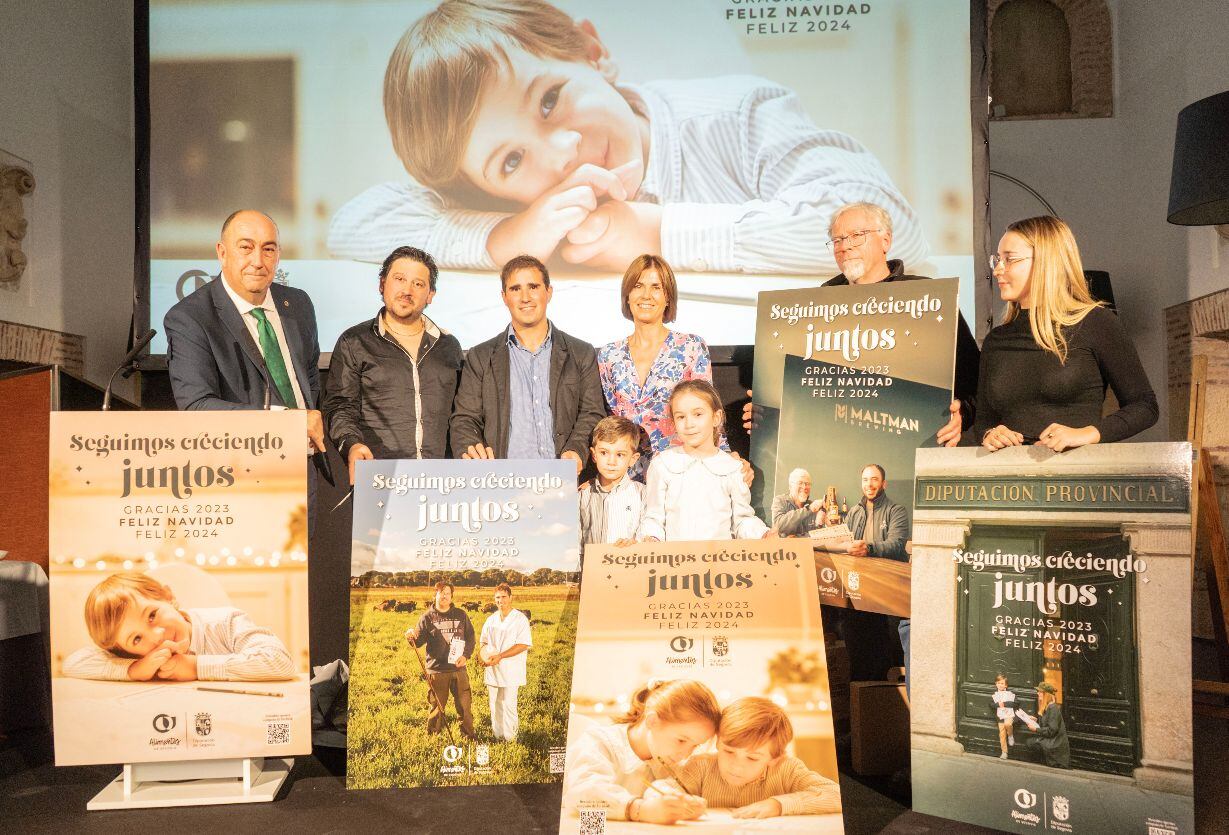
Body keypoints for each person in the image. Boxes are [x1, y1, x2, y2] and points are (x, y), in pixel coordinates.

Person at [328, 0, 925, 275]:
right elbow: (353, 224)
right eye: (510, 161)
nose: (561, 154)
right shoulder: (520, 213)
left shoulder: (738, 112)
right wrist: (508, 236)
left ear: (594, 53)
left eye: (550, 99)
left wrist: (658, 231)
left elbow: (894, 226)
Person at [742, 200, 979, 445]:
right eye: (837, 240)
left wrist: (962, 414)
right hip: (835, 447)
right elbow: (799, 386)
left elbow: (973, 378)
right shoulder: (815, 308)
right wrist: (768, 412)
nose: (845, 247)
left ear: (886, 241)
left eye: (856, 236)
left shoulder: (929, 299)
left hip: (913, 444)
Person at [972, 216, 1158, 451]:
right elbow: (984, 421)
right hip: (1009, 483)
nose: (998, 269)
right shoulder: (995, 341)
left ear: (1046, 262)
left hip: (1075, 482)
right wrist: (991, 433)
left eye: (1010, 259)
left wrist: (1085, 434)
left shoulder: (1095, 323)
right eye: (997, 259)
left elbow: (1144, 406)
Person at [164, 209, 324, 445]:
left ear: (278, 255)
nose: (258, 262)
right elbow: (197, 406)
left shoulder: (298, 303)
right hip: (241, 466)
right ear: (222, 252)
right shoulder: (190, 318)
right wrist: (286, 422)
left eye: (268, 249)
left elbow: (309, 375)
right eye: (246, 248)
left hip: (306, 460)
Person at [449, 254, 605, 472]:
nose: (525, 297)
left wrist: (577, 449)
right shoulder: (480, 357)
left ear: (548, 292)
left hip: (566, 483)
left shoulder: (580, 353)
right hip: (503, 484)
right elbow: (464, 419)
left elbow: (592, 412)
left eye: (533, 287)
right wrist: (470, 446)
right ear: (504, 296)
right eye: (515, 289)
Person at [321, 246, 462, 483]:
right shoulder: (354, 342)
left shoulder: (448, 347)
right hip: (379, 479)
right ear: (382, 284)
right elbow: (340, 407)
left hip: (441, 484)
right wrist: (352, 445)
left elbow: (461, 414)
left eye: (418, 284)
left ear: (430, 295)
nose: (407, 290)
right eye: (399, 279)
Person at [596, 255, 731, 481]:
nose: (646, 295)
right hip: (626, 480)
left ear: (668, 297)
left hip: (680, 475)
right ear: (627, 295)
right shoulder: (609, 355)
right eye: (638, 286)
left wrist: (725, 460)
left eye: (656, 287)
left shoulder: (690, 347)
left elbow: (705, 413)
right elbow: (609, 422)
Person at [62, 572, 294, 682]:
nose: (157, 636)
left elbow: (279, 661)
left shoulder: (226, 622)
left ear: (168, 597)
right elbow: (72, 664)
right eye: (136, 639)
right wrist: (134, 669)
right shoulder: (140, 660)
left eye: (152, 615)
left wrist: (196, 667)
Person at [562, 679, 719, 824]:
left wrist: (680, 805)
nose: (685, 754)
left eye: (695, 745)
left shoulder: (669, 759)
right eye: (681, 740)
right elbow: (583, 792)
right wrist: (640, 809)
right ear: (652, 721)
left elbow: (661, 794)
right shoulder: (599, 742)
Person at [639, 380, 772, 542]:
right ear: (673, 423)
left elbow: (742, 520)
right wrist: (651, 538)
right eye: (681, 417)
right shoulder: (663, 465)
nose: (689, 424)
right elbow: (654, 518)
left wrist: (763, 534)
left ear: (716, 417)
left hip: (718, 562)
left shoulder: (732, 468)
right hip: (676, 562)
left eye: (698, 414)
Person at [669, 697, 841, 818]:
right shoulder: (700, 767)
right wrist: (672, 800)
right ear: (718, 742)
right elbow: (666, 790)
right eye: (729, 751)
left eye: (752, 758)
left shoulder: (787, 769)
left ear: (775, 757)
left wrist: (778, 805)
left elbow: (837, 795)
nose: (736, 766)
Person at [405, 581, 476, 738]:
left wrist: (465, 656)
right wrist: (411, 636)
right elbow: (417, 642)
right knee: (436, 707)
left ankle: (468, 736)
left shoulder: (461, 614)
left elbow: (470, 637)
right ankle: (433, 737)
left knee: (464, 706)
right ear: (434, 595)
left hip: (459, 669)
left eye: (448, 593)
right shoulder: (427, 618)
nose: (444, 596)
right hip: (437, 670)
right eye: (441, 592)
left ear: (451, 596)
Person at [579, 416, 646, 545]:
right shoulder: (581, 495)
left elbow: (646, 535)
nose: (611, 462)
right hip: (590, 564)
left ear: (633, 459)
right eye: (604, 453)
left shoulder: (643, 494)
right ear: (594, 455)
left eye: (620, 455)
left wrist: (636, 543)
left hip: (628, 563)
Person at [478, 584, 532, 743]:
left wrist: (500, 656)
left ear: (510, 597)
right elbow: (483, 642)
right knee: (495, 704)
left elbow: (523, 644)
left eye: (503, 597)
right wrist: (483, 657)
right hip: (492, 668)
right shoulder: (491, 619)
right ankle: (497, 736)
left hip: (511, 670)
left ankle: (510, 738)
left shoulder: (519, 619)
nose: (500, 600)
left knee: (508, 704)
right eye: (497, 597)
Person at [841, 464, 908, 562]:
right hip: (858, 568)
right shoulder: (854, 512)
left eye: (874, 479)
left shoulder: (897, 511)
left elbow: (896, 545)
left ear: (884, 484)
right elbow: (842, 541)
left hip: (887, 571)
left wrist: (868, 549)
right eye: (865, 480)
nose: (869, 484)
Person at [1023, 681, 1071, 769]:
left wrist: (1036, 729)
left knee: (1030, 743)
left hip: (1055, 742)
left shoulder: (1052, 708)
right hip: (1051, 739)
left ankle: (1050, 761)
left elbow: (1052, 731)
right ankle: (1046, 760)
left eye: (1040, 692)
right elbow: (1047, 723)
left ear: (1046, 695)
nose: (1038, 694)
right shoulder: (1047, 706)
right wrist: (1036, 720)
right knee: (1029, 742)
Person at [770, 468, 824, 537]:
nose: (804, 487)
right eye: (800, 483)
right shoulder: (780, 500)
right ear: (790, 486)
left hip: (808, 547)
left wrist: (823, 524)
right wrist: (808, 509)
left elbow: (817, 535)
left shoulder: (814, 507)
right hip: (785, 547)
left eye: (807, 484)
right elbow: (778, 526)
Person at [992, 673, 1017, 760]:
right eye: (998, 683)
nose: (1000, 685)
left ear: (1006, 685)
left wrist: (1004, 703)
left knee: (1008, 725)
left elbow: (1015, 703)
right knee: (1002, 734)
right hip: (1000, 716)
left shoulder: (1010, 694)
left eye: (1002, 683)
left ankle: (1010, 735)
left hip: (1009, 715)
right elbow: (991, 704)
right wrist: (998, 704)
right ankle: (1004, 752)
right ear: (996, 684)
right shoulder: (994, 695)